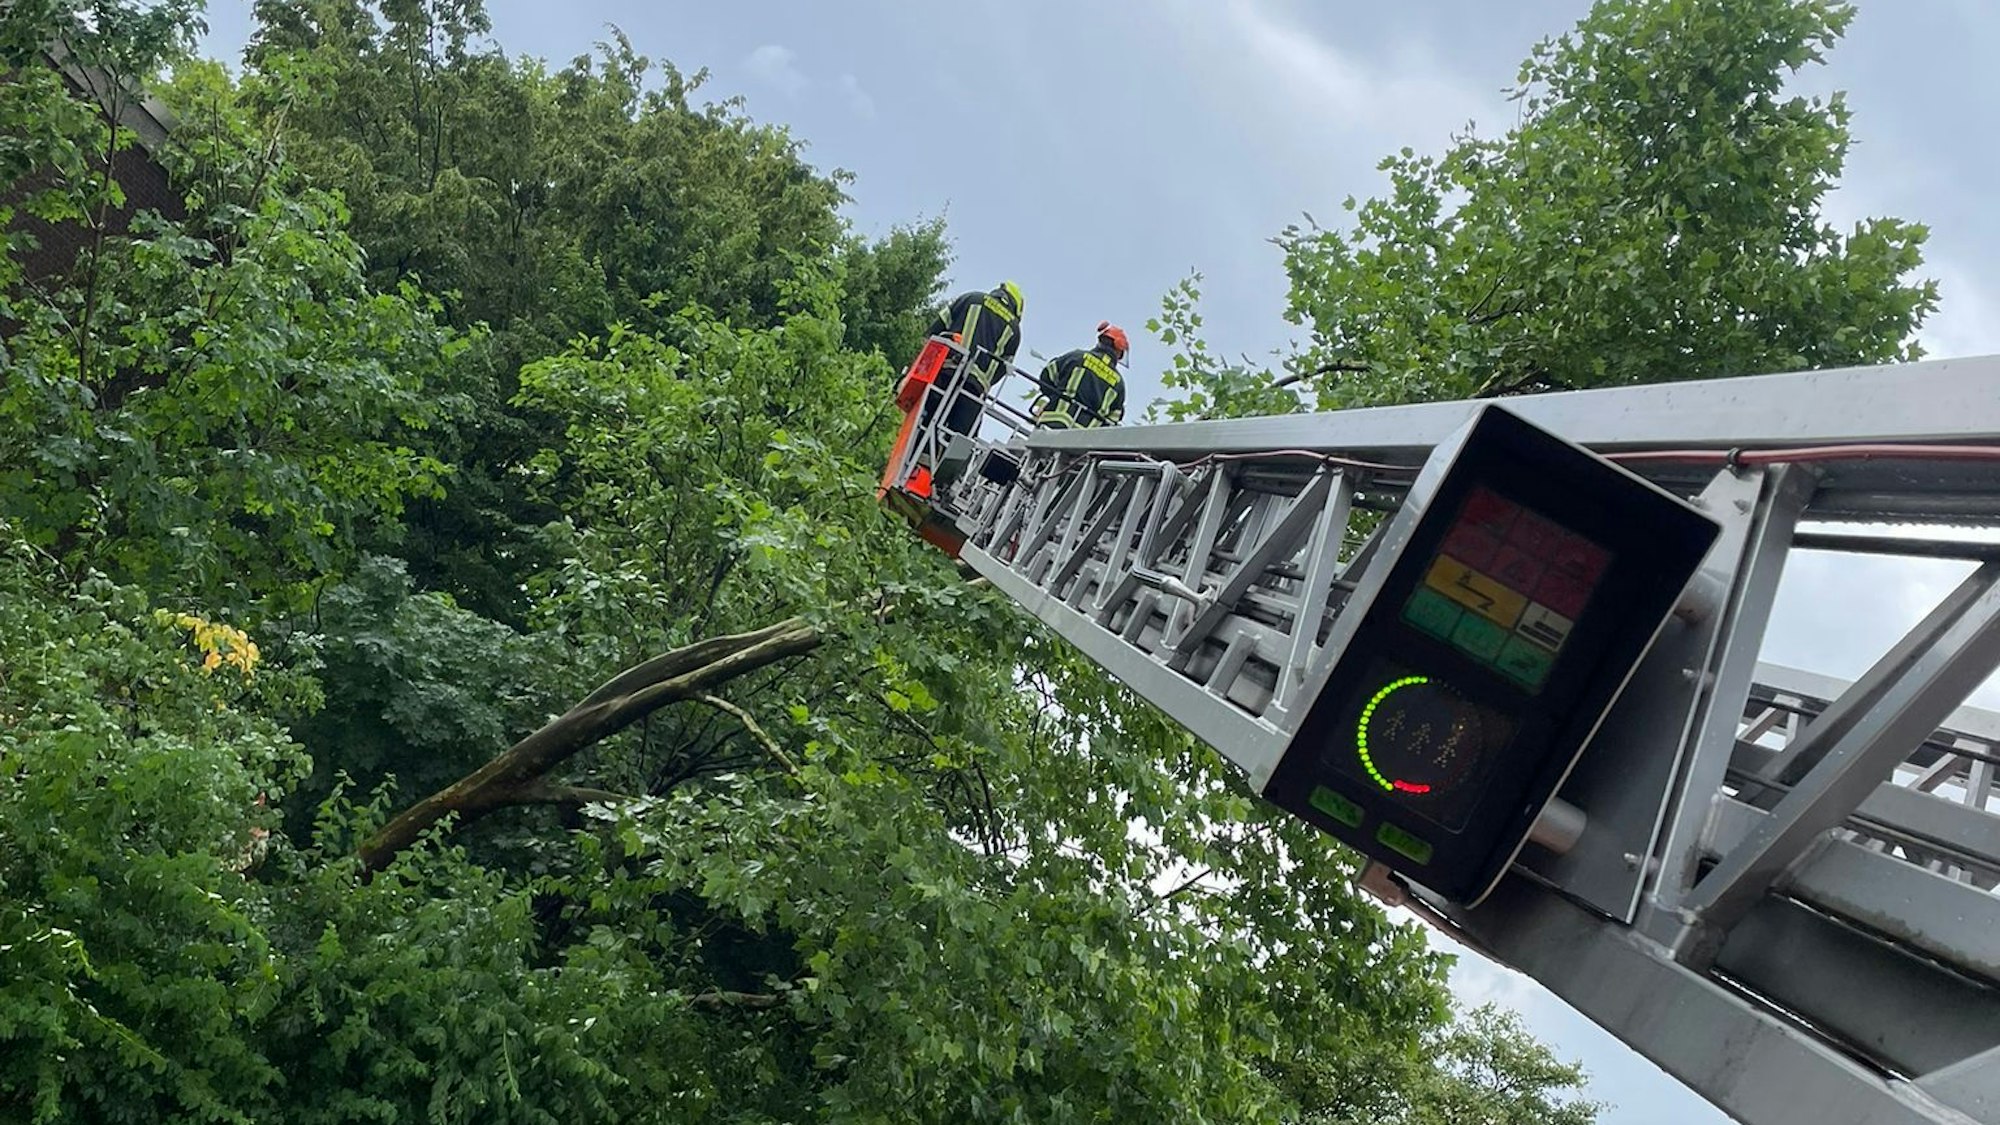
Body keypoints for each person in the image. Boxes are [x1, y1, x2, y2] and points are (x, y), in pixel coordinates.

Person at [922, 281, 1025, 437]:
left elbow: (934, 332)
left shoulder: (971, 298)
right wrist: (984, 382)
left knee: (925, 422)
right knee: (959, 439)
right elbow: (1003, 369)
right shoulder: (1014, 328)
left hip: (945, 374)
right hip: (973, 390)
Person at [1031, 321, 1128, 429]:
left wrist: (1054, 396)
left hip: (1053, 421)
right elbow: (1113, 419)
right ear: (1118, 350)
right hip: (1082, 436)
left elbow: (1047, 375)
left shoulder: (1077, 357)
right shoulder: (1118, 383)